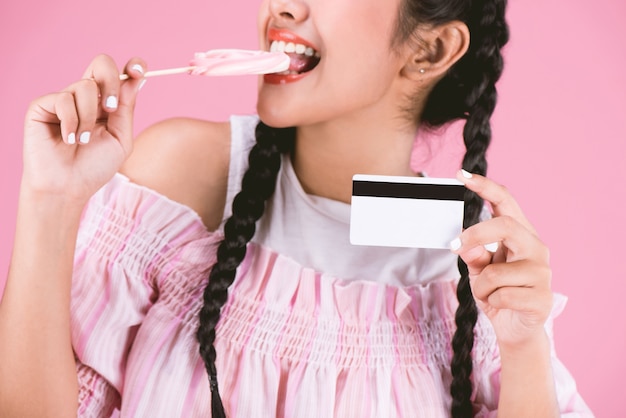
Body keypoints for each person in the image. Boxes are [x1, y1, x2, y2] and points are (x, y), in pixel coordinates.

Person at [0, 0, 593, 416]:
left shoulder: (478, 267)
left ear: (430, 48)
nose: (280, 6)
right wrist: (51, 199)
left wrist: (523, 346)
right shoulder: (183, 179)